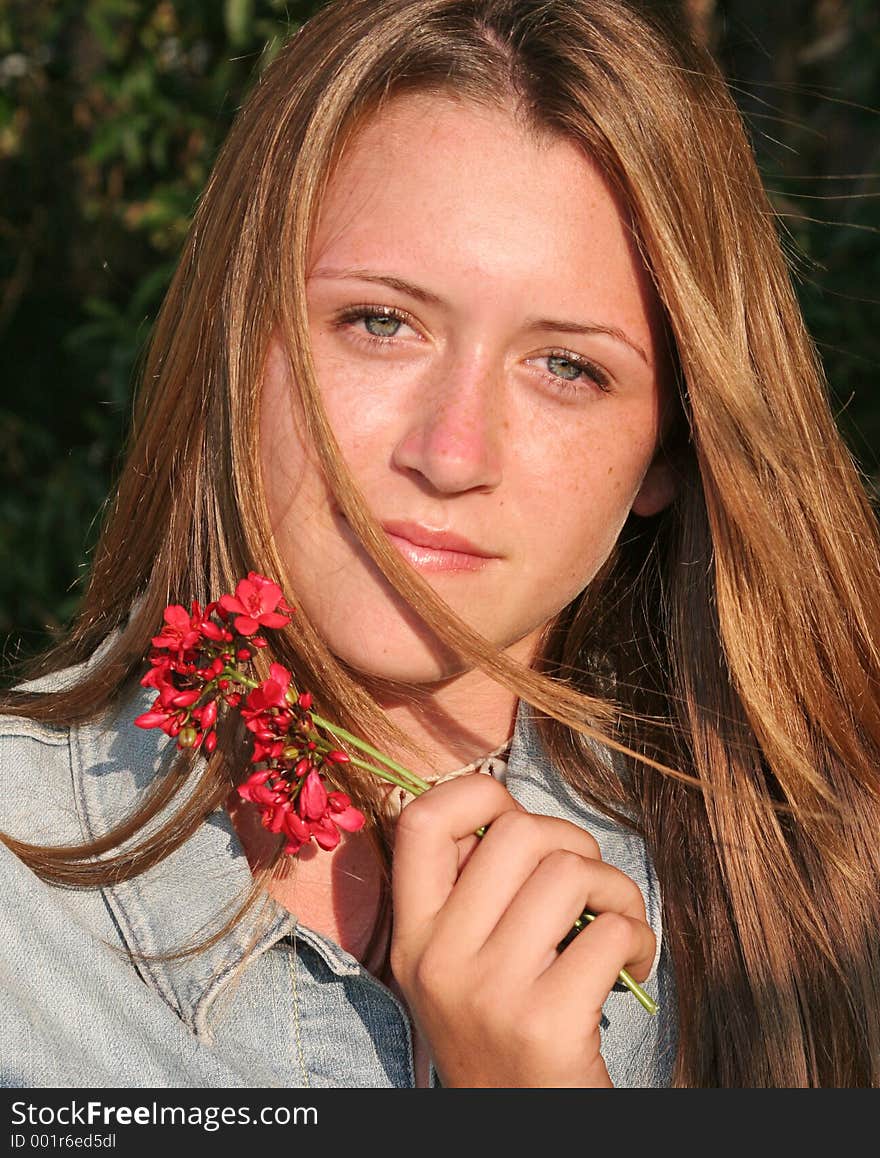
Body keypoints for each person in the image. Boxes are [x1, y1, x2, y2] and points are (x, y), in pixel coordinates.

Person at [2, 0, 879, 1090]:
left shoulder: (823, 888)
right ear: (243, 340)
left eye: (568, 367)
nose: (453, 452)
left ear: (672, 445)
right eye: (381, 321)